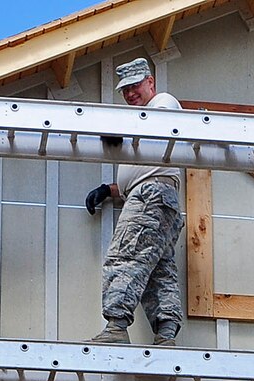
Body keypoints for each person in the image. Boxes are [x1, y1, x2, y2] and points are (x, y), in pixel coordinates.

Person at [84, 58, 186, 345]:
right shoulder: (143, 128)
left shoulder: (161, 104)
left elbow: (161, 127)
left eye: (135, 86)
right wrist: (109, 190)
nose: (130, 94)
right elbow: (145, 169)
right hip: (159, 198)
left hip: (150, 196)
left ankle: (116, 327)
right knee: (158, 270)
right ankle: (166, 334)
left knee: (125, 257)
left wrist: (124, 127)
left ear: (150, 82)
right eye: (125, 90)